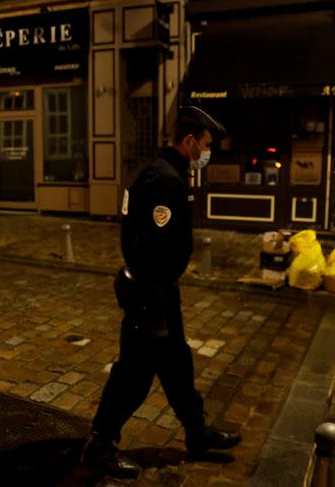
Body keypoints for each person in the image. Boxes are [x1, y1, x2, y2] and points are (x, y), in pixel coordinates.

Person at [81, 106, 241, 479]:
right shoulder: (164, 180)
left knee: (178, 367)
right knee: (134, 375)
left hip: (160, 293)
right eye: (204, 145)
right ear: (189, 142)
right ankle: (99, 444)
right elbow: (149, 246)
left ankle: (197, 434)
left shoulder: (164, 172)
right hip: (149, 295)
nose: (206, 153)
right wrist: (153, 302)